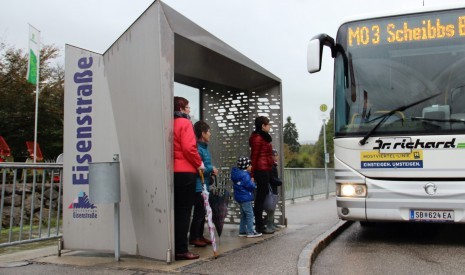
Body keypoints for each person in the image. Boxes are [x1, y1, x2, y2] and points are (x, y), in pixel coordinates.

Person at [173, 96, 203, 260]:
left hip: (173, 172)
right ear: (182, 108)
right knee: (184, 213)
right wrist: (200, 164)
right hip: (186, 172)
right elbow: (189, 148)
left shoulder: (169, 123)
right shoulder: (185, 123)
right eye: (188, 107)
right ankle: (182, 249)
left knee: (176, 211)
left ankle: (174, 246)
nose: (190, 110)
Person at [189, 120, 218, 247]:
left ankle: (200, 236)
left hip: (204, 184)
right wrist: (211, 169)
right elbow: (198, 168)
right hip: (198, 186)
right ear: (203, 133)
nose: (210, 134)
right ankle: (194, 237)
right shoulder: (198, 149)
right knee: (199, 212)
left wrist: (210, 169)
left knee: (203, 211)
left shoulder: (204, 148)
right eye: (209, 132)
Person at [249, 116, 275, 234]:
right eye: (268, 124)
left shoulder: (263, 137)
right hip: (261, 170)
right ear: (263, 126)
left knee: (262, 196)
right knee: (260, 198)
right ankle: (259, 225)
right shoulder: (258, 138)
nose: (269, 126)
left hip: (265, 169)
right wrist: (252, 174)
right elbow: (254, 157)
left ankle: (261, 223)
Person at [231, 157, 262, 238]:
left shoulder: (237, 174)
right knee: (250, 214)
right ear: (246, 166)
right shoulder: (245, 175)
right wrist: (253, 183)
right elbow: (250, 186)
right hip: (245, 197)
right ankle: (250, 231)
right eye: (250, 165)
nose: (251, 167)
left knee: (244, 214)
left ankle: (242, 231)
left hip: (240, 197)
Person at [266, 149, 282, 231]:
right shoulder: (271, 166)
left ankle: (271, 223)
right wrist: (279, 182)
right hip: (271, 190)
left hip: (273, 189)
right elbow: (272, 179)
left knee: (272, 208)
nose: (276, 157)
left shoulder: (273, 165)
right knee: (271, 208)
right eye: (274, 155)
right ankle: (269, 225)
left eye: (276, 155)